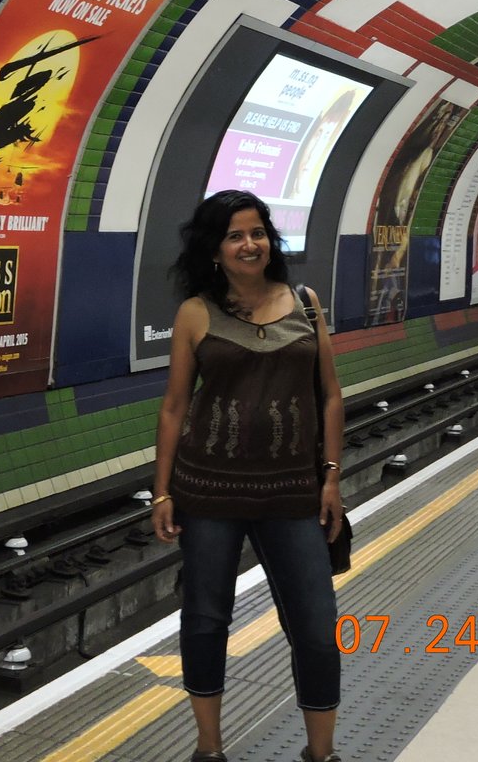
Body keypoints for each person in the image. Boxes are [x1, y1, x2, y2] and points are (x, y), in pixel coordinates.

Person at [152, 189, 345, 762]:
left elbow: (331, 395)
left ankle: (321, 754)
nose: (249, 244)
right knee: (207, 619)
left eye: (257, 232)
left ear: (270, 239)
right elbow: (174, 406)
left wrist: (330, 477)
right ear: (214, 249)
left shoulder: (306, 303)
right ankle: (209, 748)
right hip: (209, 491)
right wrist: (161, 490)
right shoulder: (195, 313)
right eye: (234, 235)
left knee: (315, 623)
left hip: (292, 491)